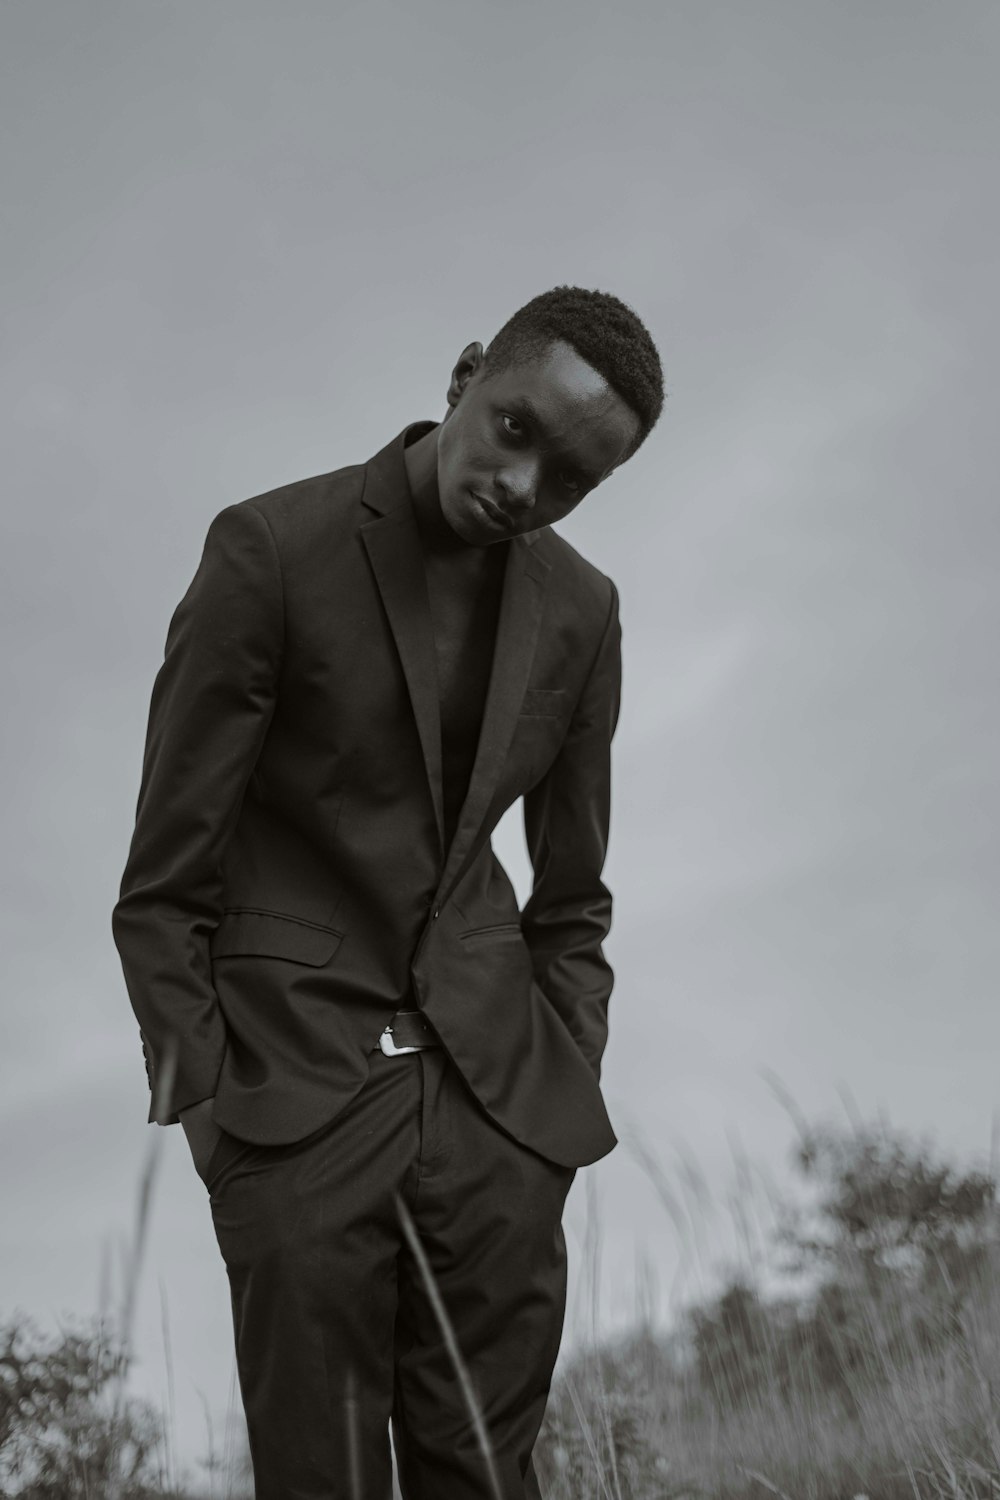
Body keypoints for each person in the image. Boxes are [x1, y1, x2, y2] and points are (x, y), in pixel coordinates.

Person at [112, 284, 664, 1499]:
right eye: (518, 429)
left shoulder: (584, 612)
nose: (523, 486)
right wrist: (213, 1105)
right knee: (328, 1479)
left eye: (568, 479)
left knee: (484, 1471)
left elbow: (574, 895)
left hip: (496, 1113)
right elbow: (162, 884)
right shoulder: (269, 550)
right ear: (466, 375)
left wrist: (552, 1106)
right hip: (289, 1102)